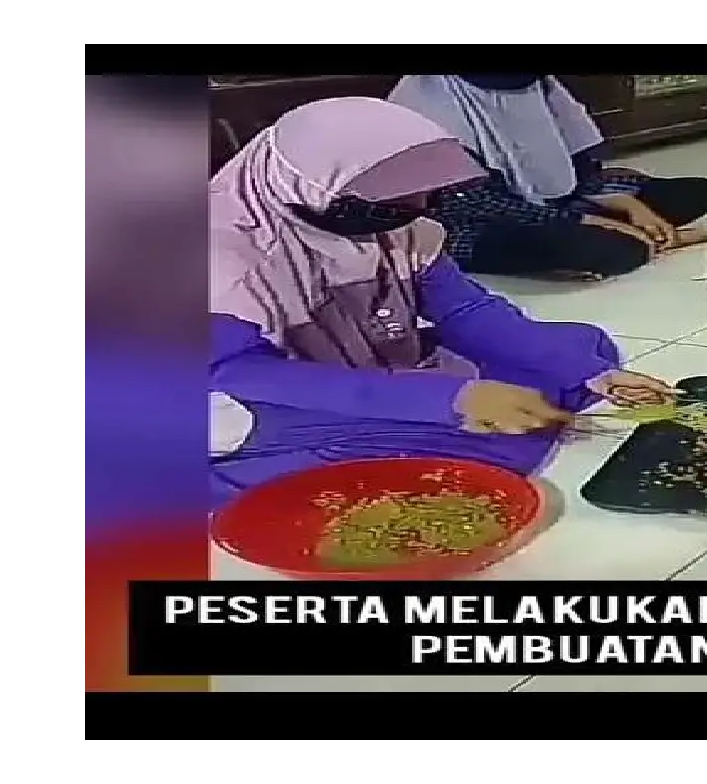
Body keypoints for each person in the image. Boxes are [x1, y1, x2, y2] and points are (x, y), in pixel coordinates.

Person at [209, 97, 677, 505]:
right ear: (315, 187)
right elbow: (235, 373)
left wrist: (591, 374)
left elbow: (464, 309)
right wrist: (451, 399)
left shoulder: (400, 225)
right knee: (481, 441)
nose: (417, 208)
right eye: (394, 200)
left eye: (424, 194)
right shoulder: (216, 258)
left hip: (368, 364)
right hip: (259, 396)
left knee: (580, 348)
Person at [386, 73, 707, 279]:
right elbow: (471, 204)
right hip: (471, 224)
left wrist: (629, 206)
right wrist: (587, 222)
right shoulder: (425, 104)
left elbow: (580, 171)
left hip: (559, 204)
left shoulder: (538, 86)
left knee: (698, 192)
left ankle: (630, 234)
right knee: (613, 250)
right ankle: (626, 239)